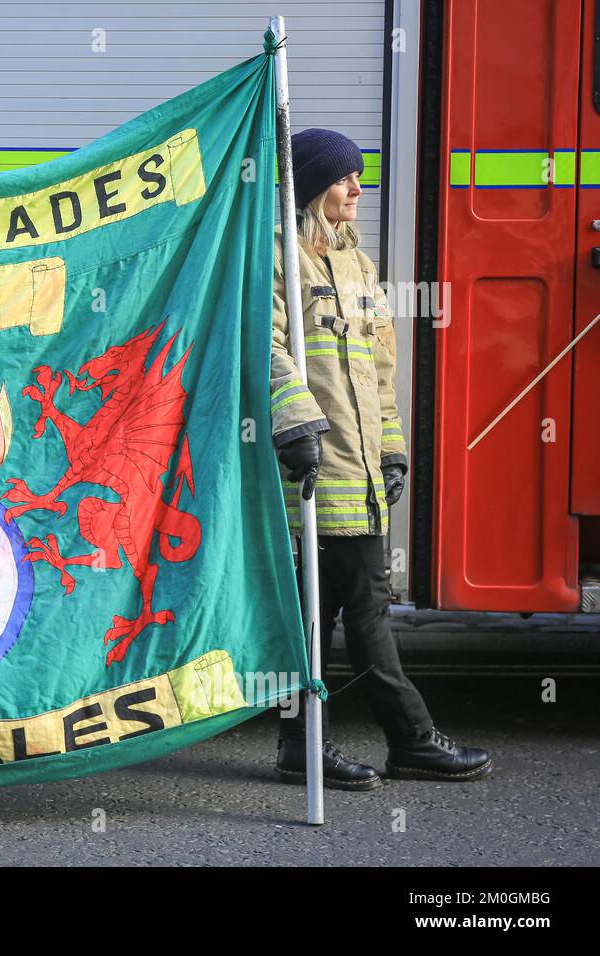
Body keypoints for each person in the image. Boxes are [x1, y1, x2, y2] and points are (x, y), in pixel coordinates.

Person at [268, 127, 491, 790]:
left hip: (361, 475)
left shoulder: (360, 270)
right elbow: (264, 344)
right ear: (311, 188)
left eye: (359, 176)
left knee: (317, 618)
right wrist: (294, 423)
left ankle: (299, 745)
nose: (358, 189)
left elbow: (379, 370)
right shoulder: (280, 260)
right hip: (314, 468)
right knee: (360, 611)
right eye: (344, 178)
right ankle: (410, 738)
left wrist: (392, 448)